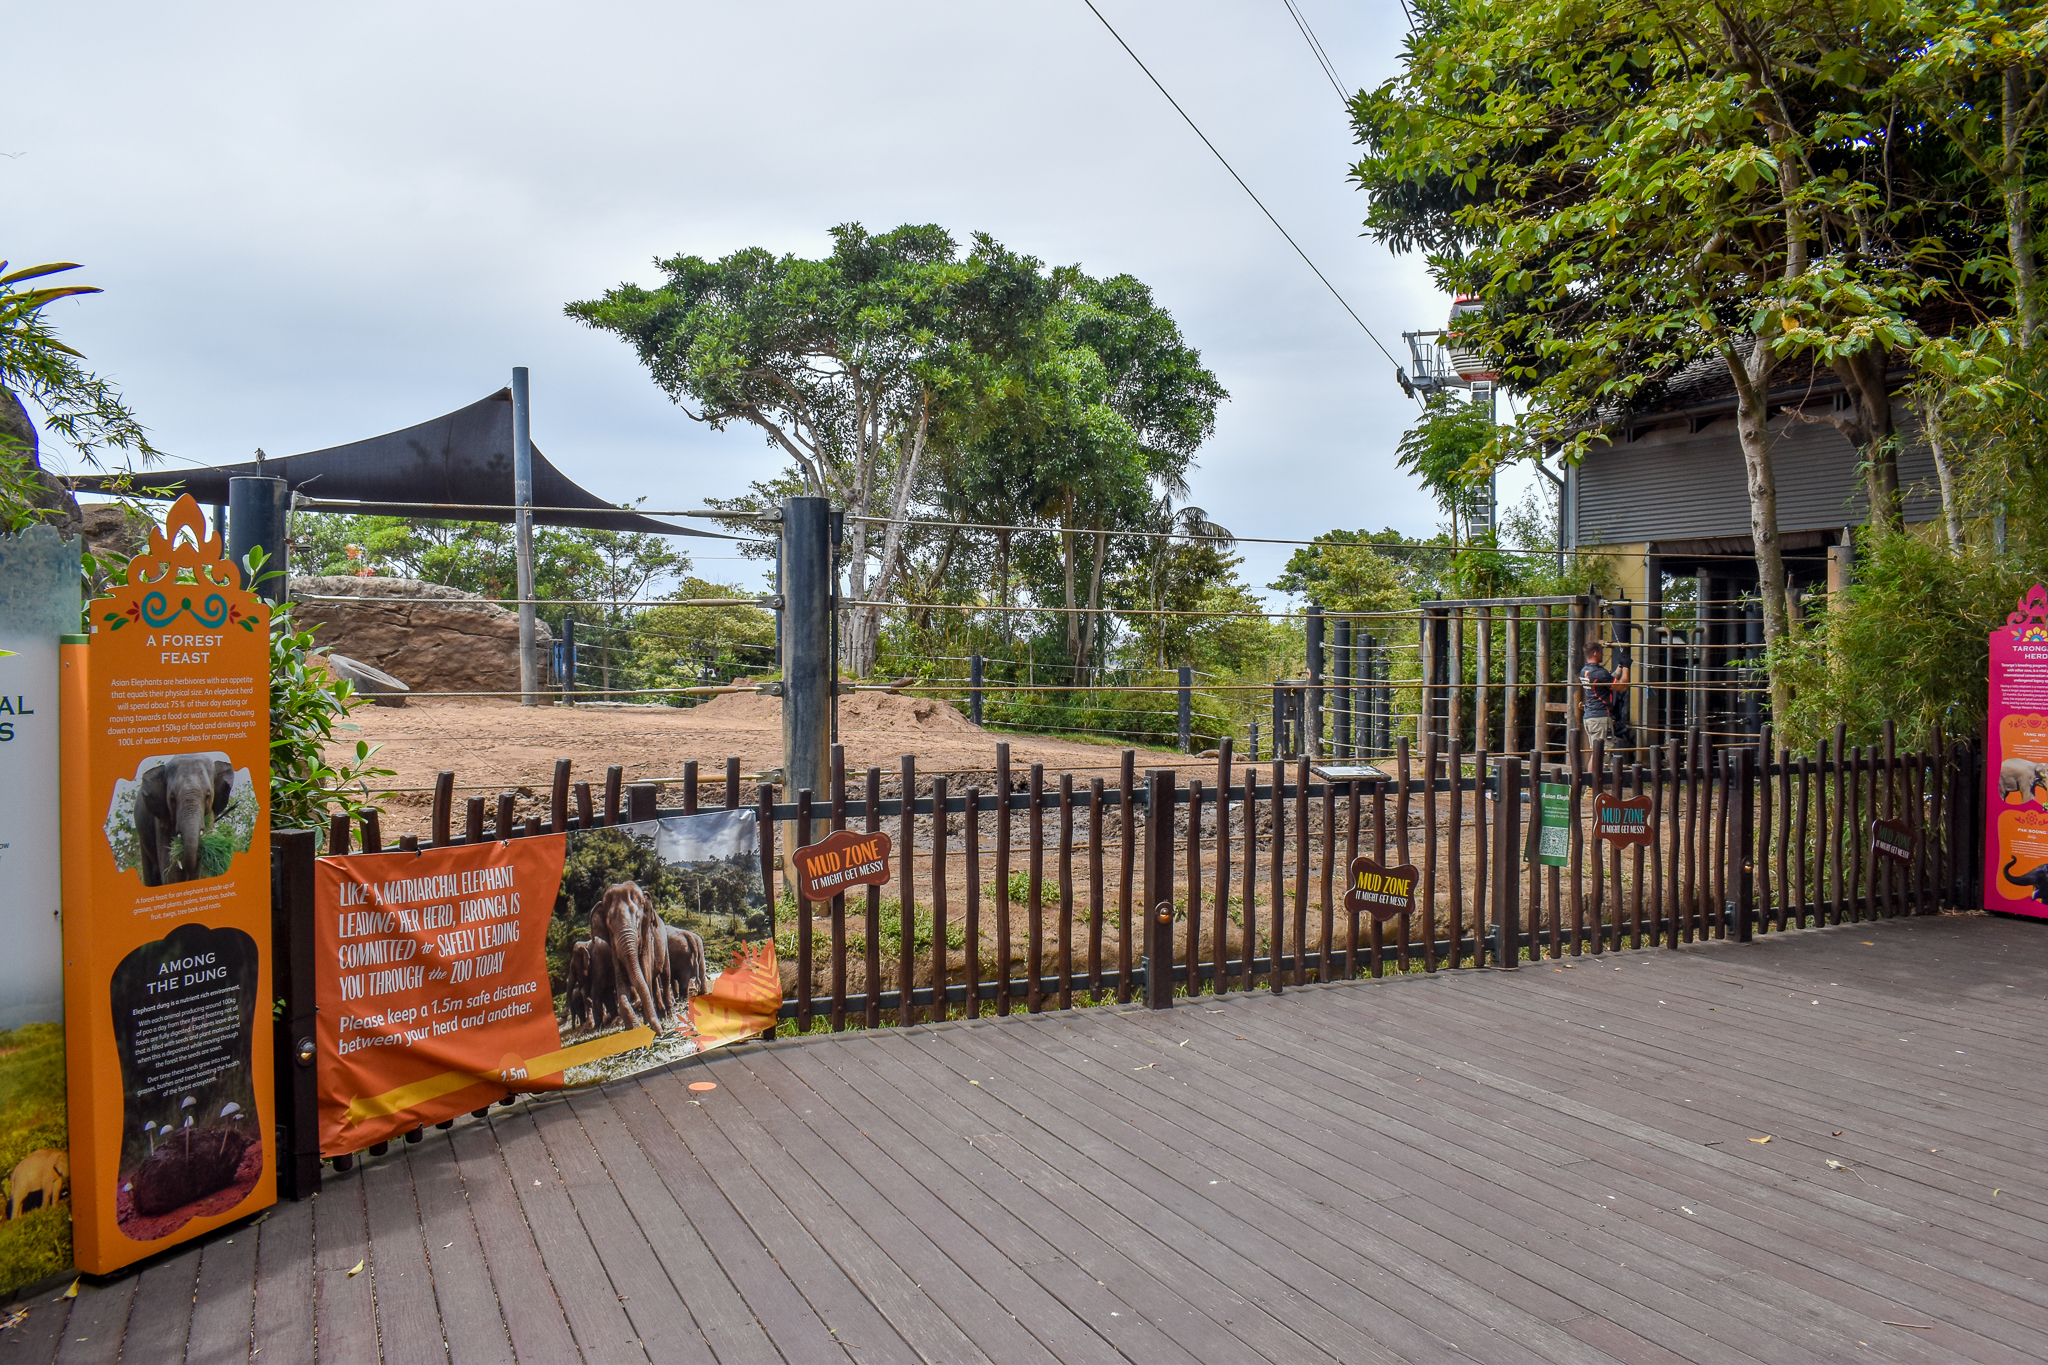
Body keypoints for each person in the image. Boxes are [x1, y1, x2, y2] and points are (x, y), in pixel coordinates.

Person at [1580, 640, 1629, 749]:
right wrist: (1626, 667)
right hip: (1600, 717)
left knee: (1597, 752)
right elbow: (1622, 686)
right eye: (1601, 652)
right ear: (1595, 653)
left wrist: (1620, 665)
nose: (1602, 655)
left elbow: (1609, 680)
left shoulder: (1585, 670)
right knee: (1602, 753)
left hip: (1591, 715)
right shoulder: (1599, 673)